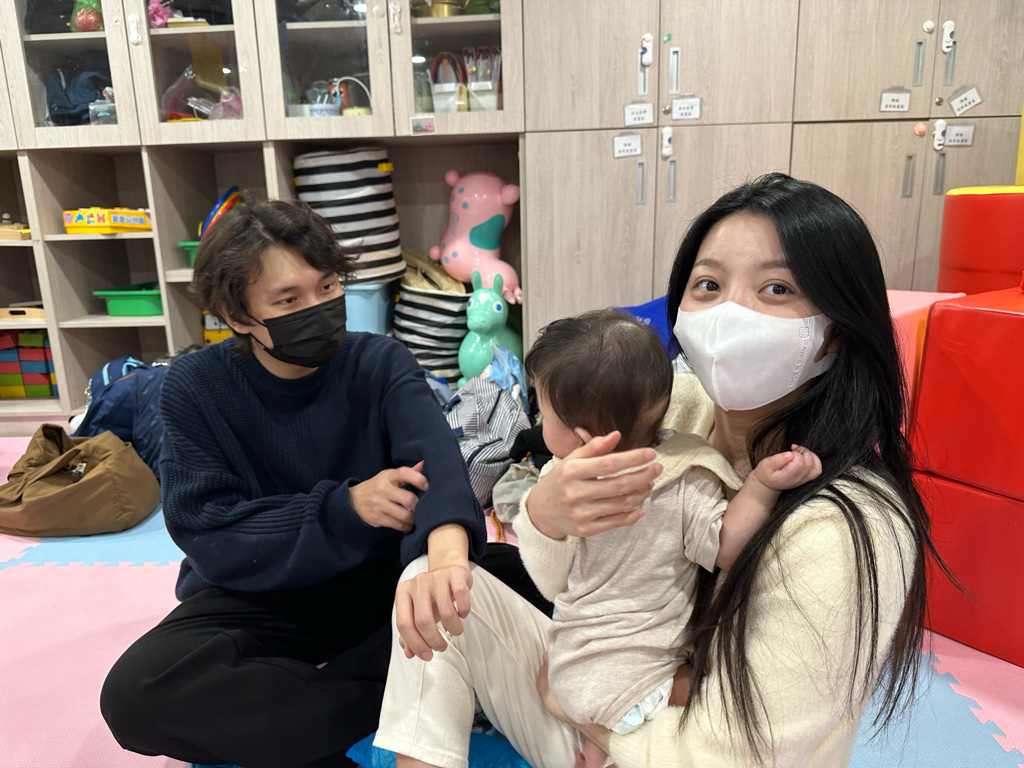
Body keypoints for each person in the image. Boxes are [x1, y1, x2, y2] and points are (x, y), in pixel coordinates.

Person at [373, 173, 944, 768]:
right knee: (433, 589)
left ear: (834, 332)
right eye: (709, 284)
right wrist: (544, 517)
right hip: (615, 692)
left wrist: (580, 710)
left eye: (776, 288)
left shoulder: (847, 526)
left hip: (668, 744)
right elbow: (564, 584)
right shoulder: (672, 414)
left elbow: (739, 753)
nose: (730, 313)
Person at [98, 198, 544, 768]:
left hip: (382, 584)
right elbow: (209, 531)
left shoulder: (379, 361)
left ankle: (329, 710)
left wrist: (447, 563)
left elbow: (435, 461)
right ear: (236, 315)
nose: (317, 308)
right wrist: (344, 508)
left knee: (540, 580)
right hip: (263, 594)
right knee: (139, 695)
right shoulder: (195, 385)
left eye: (328, 287)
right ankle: (395, 698)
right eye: (288, 300)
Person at [521, 309, 822, 768]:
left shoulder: (564, 484)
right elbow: (727, 547)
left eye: (541, 413)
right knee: (705, 684)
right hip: (639, 677)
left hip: (574, 661)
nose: (538, 422)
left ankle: (595, 753)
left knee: (627, 713)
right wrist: (762, 485)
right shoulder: (686, 474)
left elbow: (551, 585)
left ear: (582, 441)